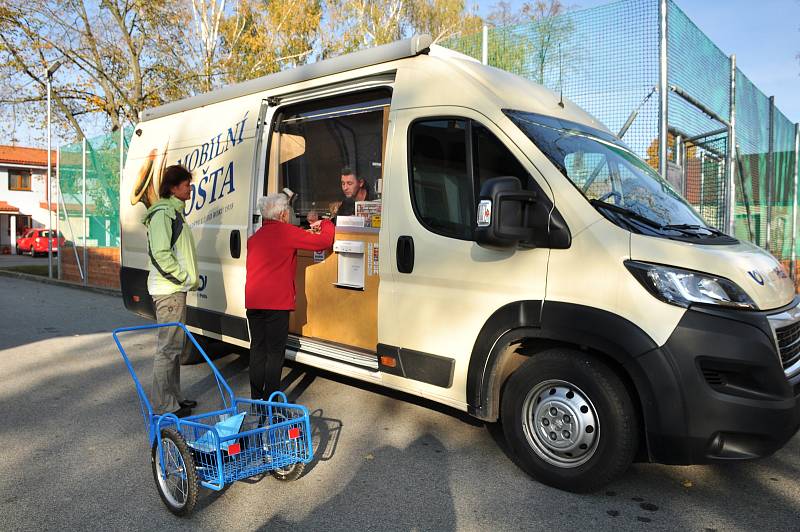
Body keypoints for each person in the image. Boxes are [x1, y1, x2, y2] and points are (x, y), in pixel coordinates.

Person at [245, 193, 335, 400]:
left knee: (258, 350)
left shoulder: (254, 238)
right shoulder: (287, 232)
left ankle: (256, 401)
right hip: (276, 303)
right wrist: (327, 222)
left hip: (254, 301)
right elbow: (323, 241)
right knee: (275, 354)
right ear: (284, 214)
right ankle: (273, 402)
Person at [143, 164, 199, 417]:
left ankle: (174, 399)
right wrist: (182, 277)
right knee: (167, 349)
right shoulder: (164, 214)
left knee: (175, 348)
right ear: (174, 187)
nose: (190, 188)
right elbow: (161, 254)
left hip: (174, 288)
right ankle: (164, 406)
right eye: (187, 184)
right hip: (169, 289)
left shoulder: (174, 212)